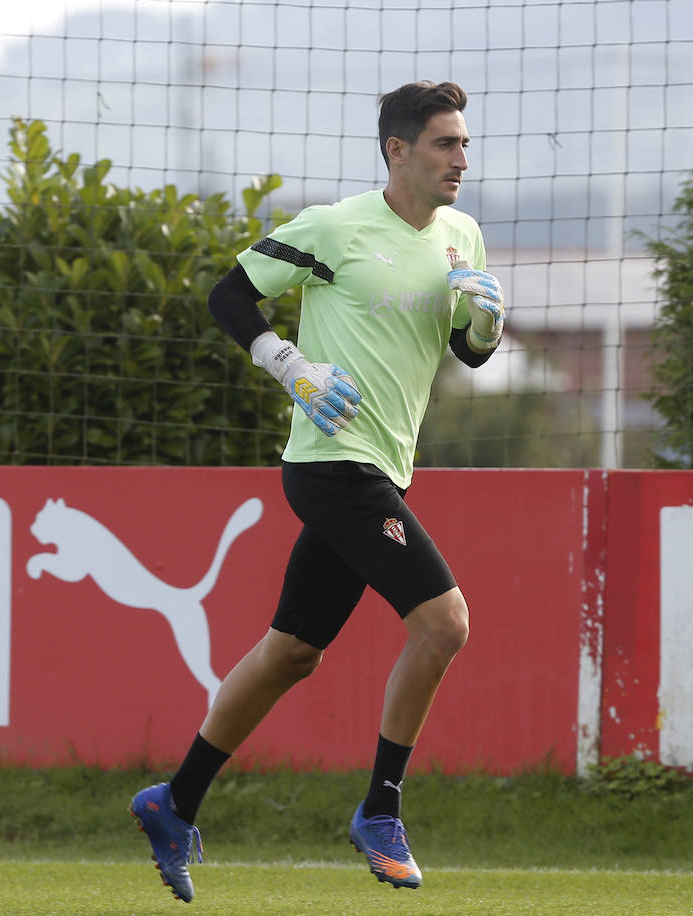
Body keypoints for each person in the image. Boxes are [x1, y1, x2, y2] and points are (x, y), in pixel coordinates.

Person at [128, 80, 505, 902]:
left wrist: (483, 330)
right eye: (445, 144)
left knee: (293, 651)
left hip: (384, 466)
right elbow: (229, 294)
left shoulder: (463, 235)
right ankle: (381, 809)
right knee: (444, 623)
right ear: (397, 151)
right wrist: (289, 366)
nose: (462, 160)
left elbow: (466, 354)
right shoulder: (333, 227)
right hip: (334, 463)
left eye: (466, 144)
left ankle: (174, 799)